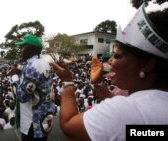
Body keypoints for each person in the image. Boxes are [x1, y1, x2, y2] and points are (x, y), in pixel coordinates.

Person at [51, 4, 168, 141]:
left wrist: (68, 82)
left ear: (146, 65)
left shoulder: (126, 111)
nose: (110, 61)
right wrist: (98, 83)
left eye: (117, 56)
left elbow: (68, 125)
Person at [10, 34, 55, 141]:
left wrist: (14, 76)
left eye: (23, 47)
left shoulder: (33, 67)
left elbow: (22, 96)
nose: (21, 50)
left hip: (33, 122)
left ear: (29, 49)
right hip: (43, 117)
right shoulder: (43, 63)